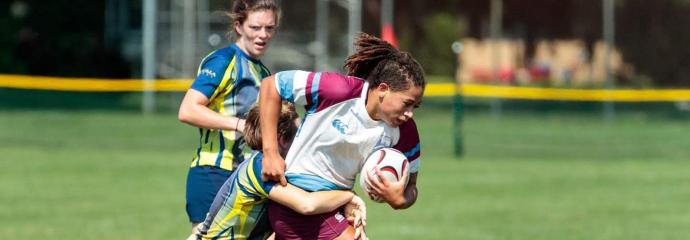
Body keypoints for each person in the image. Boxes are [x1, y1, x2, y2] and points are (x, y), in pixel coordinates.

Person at [258, 33, 424, 239]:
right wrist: (270, 152)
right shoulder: (337, 90)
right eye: (406, 103)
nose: (410, 113)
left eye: (415, 106)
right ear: (383, 89)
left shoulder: (405, 131)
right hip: (294, 198)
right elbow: (271, 85)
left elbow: (411, 188)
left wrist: (401, 199)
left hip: (334, 205)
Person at [190, 103, 367, 240]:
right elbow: (307, 205)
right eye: (299, 134)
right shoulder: (262, 168)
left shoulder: (266, 162)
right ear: (282, 140)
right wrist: (349, 196)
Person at [177, 0, 280, 230]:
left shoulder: (263, 72)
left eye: (269, 28)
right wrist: (240, 125)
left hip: (247, 177)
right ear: (238, 26)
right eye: (255, 27)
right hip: (213, 173)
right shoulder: (224, 61)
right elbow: (188, 110)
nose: (263, 35)